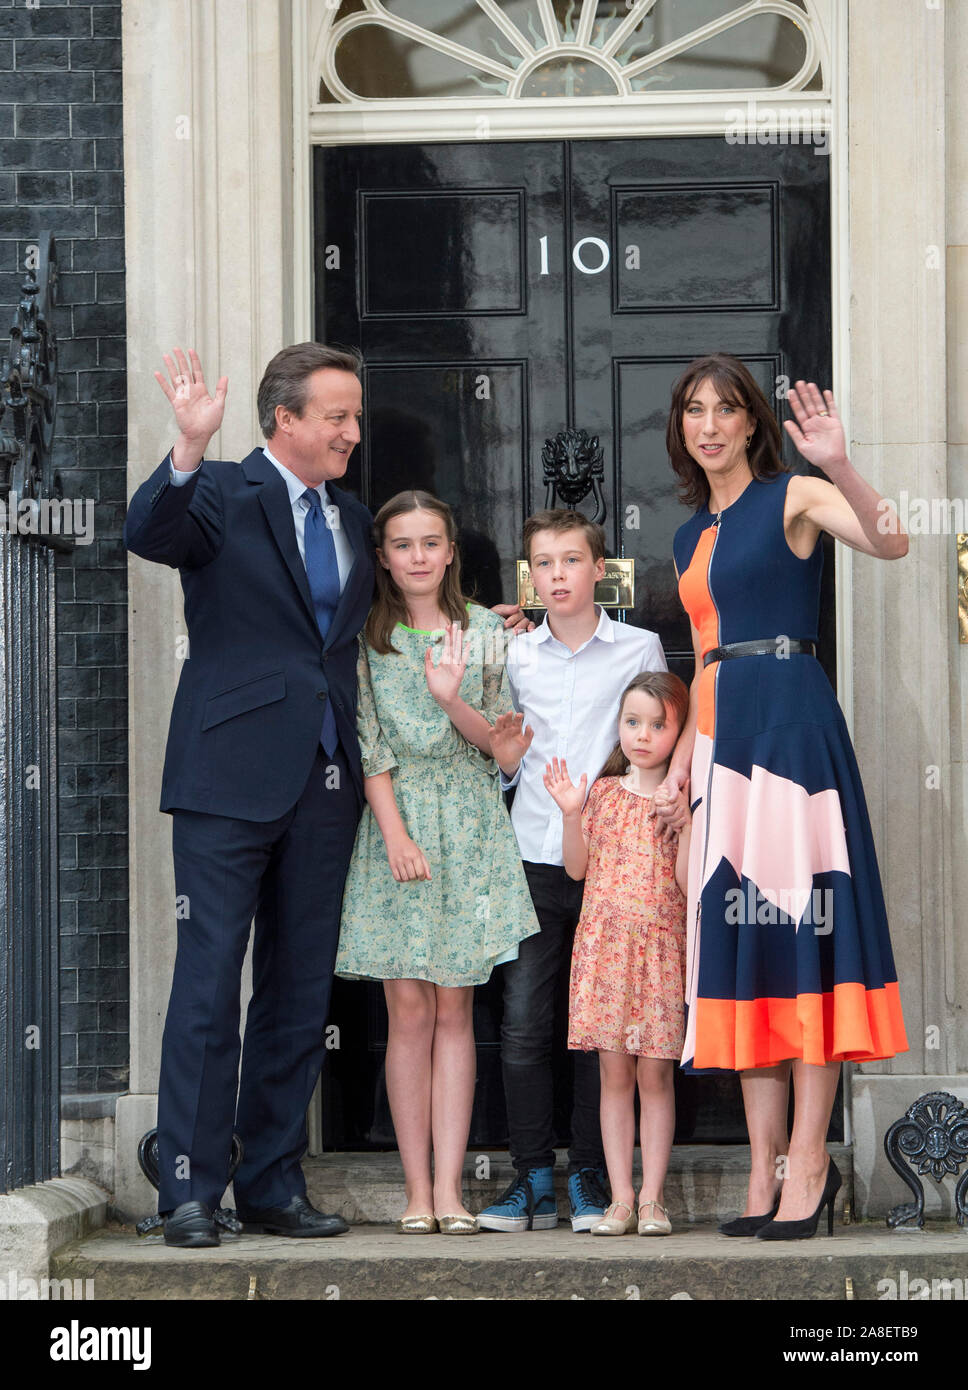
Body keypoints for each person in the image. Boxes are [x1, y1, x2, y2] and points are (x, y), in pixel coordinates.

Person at [124, 346, 527, 1248]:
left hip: (329, 782)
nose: (353, 432)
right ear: (284, 421)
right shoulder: (223, 491)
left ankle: (270, 1181)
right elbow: (150, 534)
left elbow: (405, 616)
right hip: (226, 779)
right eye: (338, 417)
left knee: (300, 992)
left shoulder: (352, 516)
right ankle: (189, 1190)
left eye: (354, 416)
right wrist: (187, 448)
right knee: (208, 981)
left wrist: (493, 622)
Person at [654, 354, 909, 1240]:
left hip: (794, 738)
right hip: (725, 753)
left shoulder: (794, 496)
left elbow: (893, 540)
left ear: (754, 423)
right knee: (744, 954)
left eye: (727, 408)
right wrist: (686, 757)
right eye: (695, 410)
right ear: (681, 427)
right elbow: (702, 654)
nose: (711, 423)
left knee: (804, 942)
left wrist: (838, 460)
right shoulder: (688, 537)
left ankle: (811, 1165)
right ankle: (761, 1175)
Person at [334, 491, 540, 1234]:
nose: (418, 556)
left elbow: (498, 744)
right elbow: (369, 745)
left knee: (456, 1007)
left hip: (471, 825)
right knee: (408, 1011)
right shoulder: (369, 634)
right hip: (399, 824)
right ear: (383, 556)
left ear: (451, 551)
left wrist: (452, 700)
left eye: (431, 542)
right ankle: (416, 1192)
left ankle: (452, 1193)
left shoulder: (485, 629)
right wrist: (393, 834)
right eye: (402, 544)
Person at [478, 509, 668, 1233]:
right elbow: (500, 751)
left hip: (617, 863)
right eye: (543, 564)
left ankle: (593, 1176)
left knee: (604, 1030)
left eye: (570, 561)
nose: (557, 575)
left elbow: (664, 733)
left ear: (599, 569)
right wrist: (503, 761)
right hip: (531, 855)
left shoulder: (640, 648)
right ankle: (531, 1180)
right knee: (525, 1024)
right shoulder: (514, 653)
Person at [545, 672, 691, 1237]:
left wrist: (683, 824)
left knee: (655, 1076)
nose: (643, 735)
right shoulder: (603, 795)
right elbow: (577, 869)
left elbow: (683, 884)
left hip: (657, 951)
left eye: (658, 725)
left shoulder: (678, 801)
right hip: (604, 952)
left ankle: (654, 1199)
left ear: (678, 733)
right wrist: (568, 812)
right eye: (633, 722)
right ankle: (621, 1199)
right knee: (613, 1076)